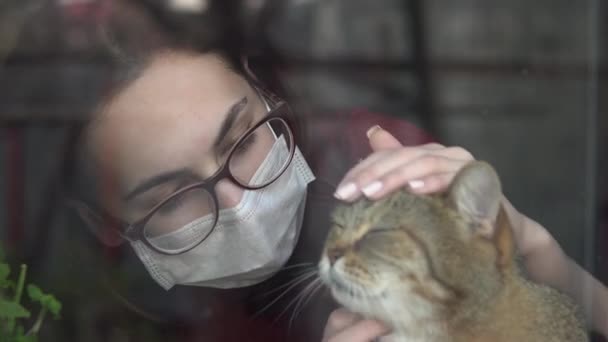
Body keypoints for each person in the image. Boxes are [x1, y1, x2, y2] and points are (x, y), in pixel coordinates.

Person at [63, 5, 608, 342]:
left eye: (243, 139)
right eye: (175, 196)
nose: (237, 205)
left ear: (266, 92)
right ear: (106, 225)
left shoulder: (374, 162)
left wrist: (539, 253)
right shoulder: (113, 315)